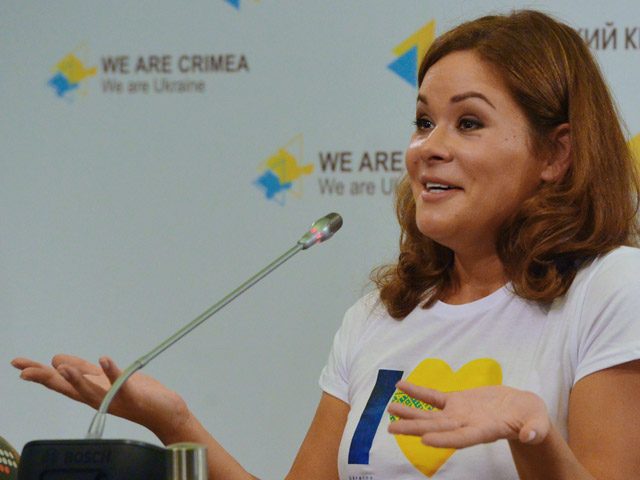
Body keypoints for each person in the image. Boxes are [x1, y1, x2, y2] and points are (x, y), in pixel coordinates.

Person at [12, 9, 640, 479]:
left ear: (555, 154)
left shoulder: (608, 291)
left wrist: (533, 435)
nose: (428, 147)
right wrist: (172, 422)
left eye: (468, 122)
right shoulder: (380, 316)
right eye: (423, 121)